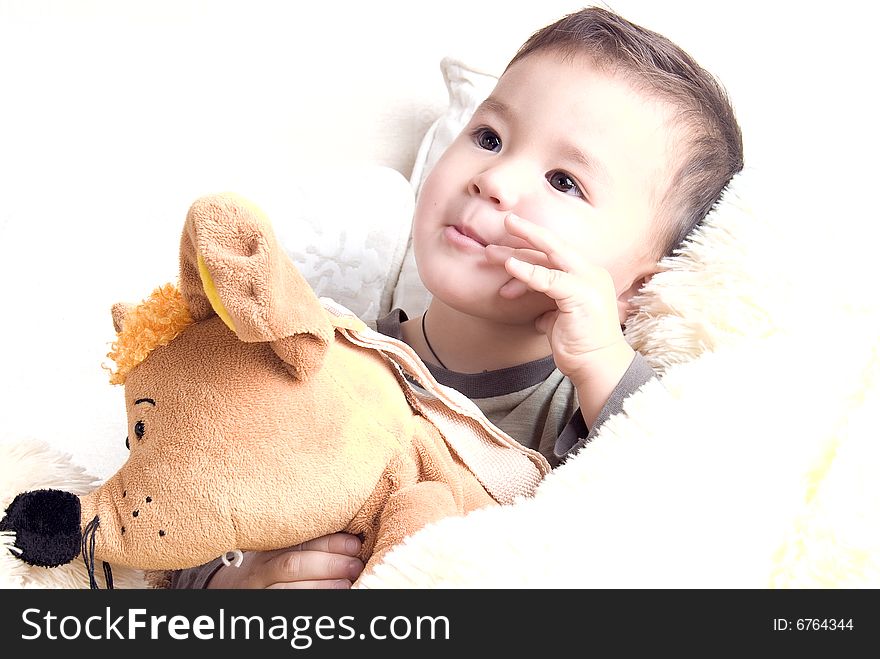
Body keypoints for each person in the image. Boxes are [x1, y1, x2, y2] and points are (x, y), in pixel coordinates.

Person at [171, 5, 743, 588]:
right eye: (489, 137)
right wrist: (229, 583)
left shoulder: (588, 408)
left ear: (632, 290)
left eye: (564, 181)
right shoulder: (328, 358)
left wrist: (601, 366)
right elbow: (187, 507)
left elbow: (691, 514)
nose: (493, 180)